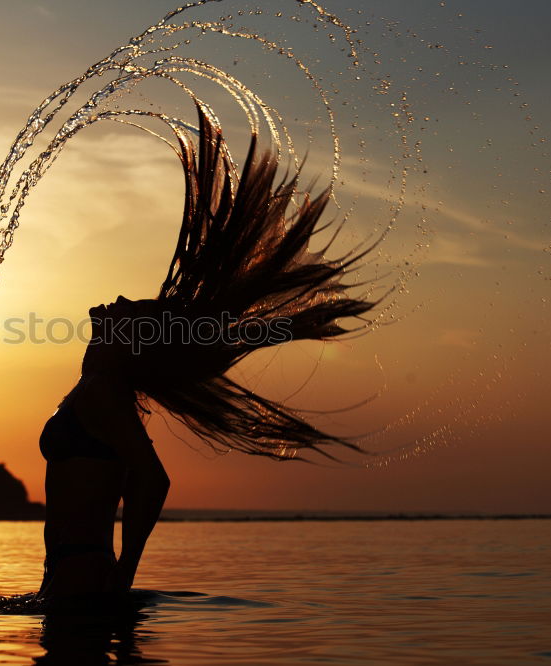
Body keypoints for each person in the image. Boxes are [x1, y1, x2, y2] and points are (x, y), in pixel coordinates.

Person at [34, 105, 377, 612]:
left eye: (121, 311)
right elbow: (129, 479)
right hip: (73, 572)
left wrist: (124, 573)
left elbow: (152, 479)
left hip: (83, 574)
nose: (105, 307)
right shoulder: (103, 392)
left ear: (132, 341)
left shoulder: (103, 395)